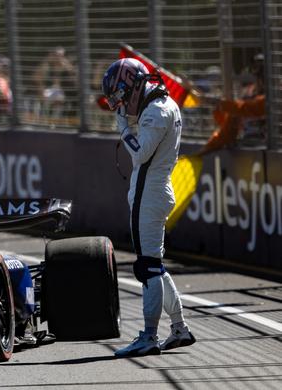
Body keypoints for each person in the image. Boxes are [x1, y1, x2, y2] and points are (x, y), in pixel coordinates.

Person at [101, 57, 195, 357]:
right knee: (155, 264)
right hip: (155, 190)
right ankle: (179, 328)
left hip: (150, 193)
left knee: (147, 267)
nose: (123, 105)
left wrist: (123, 129)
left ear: (134, 87)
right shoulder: (164, 105)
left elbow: (140, 153)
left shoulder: (156, 111)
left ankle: (149, 335)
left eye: (122, 97)